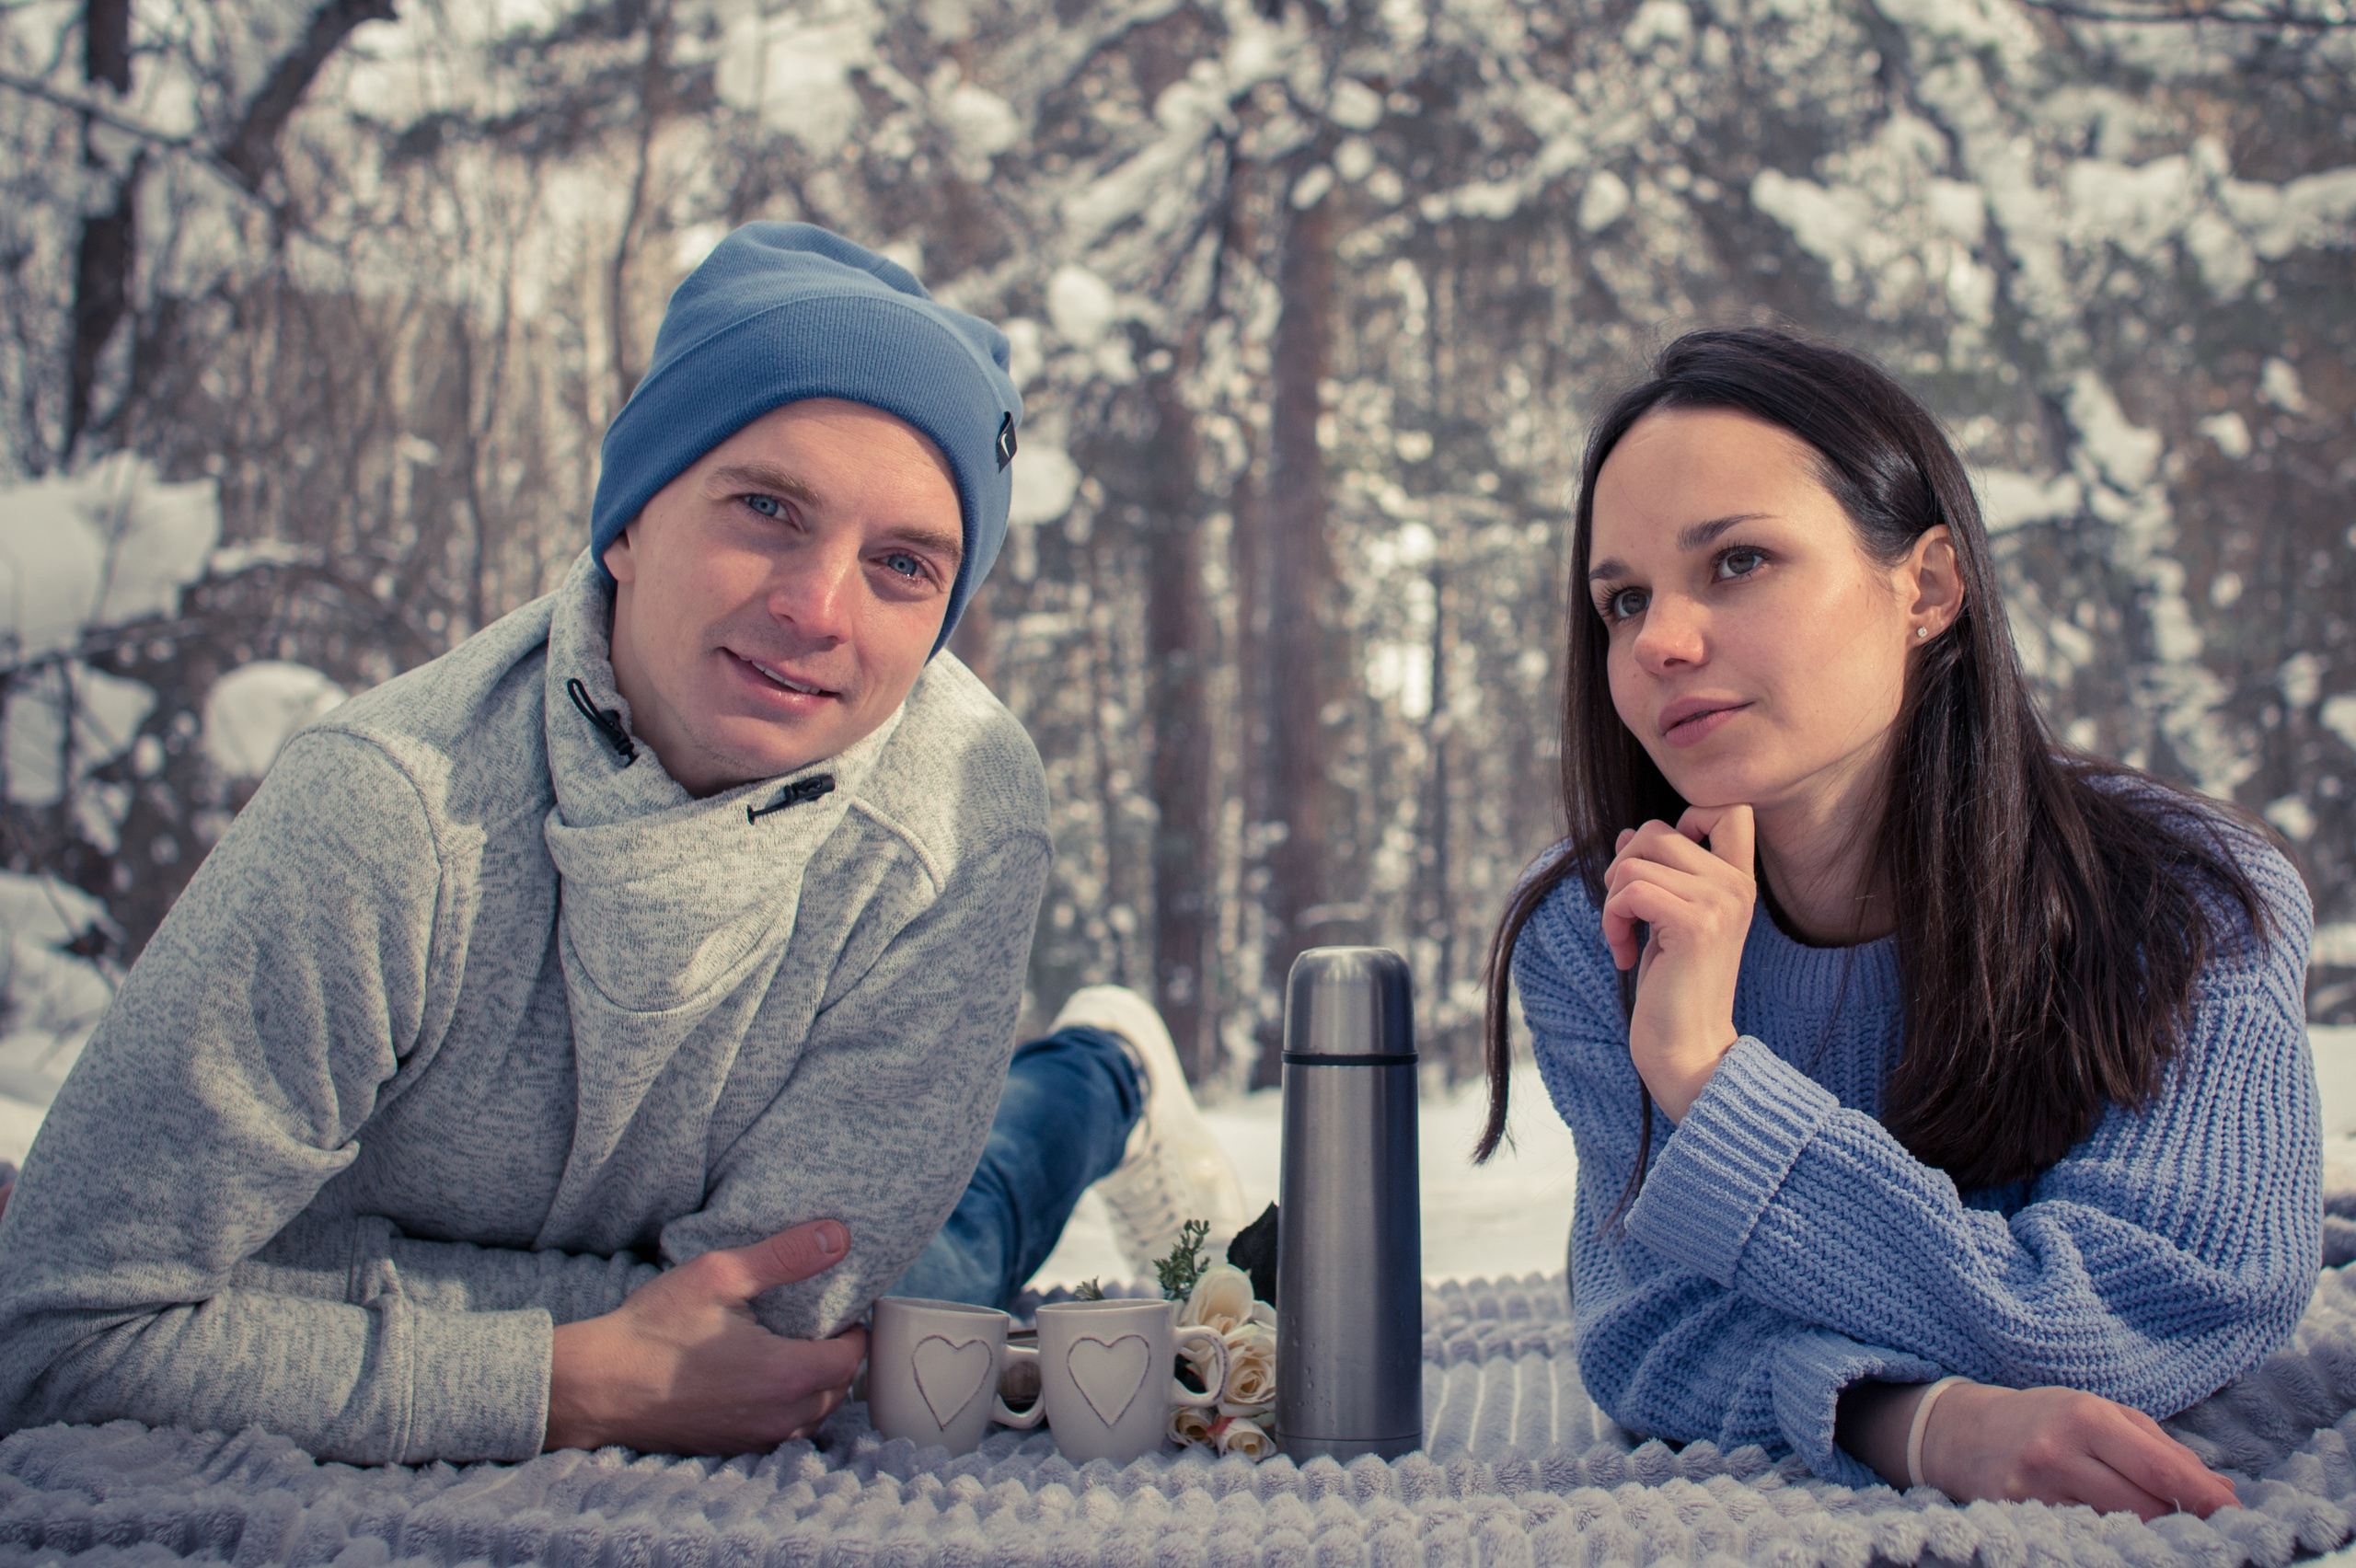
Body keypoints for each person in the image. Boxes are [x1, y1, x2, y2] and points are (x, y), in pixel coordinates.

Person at [0, 223, 1241, 1465]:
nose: (816, 608)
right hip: (723, 1201)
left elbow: (761, 1338)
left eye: (903, 566)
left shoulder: (957, 819)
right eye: (766, 507)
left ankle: (1101, 1076)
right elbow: (57, 1331)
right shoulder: (388, 813)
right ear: (630, 519)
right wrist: (553, 1380)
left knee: (944, 1277)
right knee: (929, 1278)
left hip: (849, 1214)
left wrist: (277, 1292)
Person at [1480, 328, 2315, 1516]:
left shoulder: (2190, 899)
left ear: (1925, 587)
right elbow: (1649, 1332)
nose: (1659, 641)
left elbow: (2147, 1314)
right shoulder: (1599, 925)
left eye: (1737, 562)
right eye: (1622, 600)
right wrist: (1910, 1420)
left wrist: (1716, 1087)